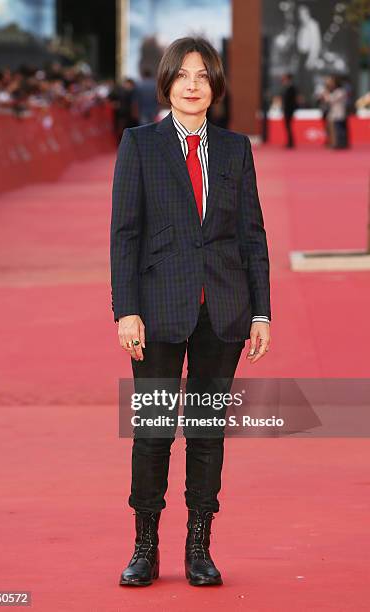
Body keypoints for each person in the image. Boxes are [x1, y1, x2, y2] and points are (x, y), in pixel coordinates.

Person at [110, 37, 271, 587]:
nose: (193, 84)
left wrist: (262, 312)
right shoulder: (139, 144)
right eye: (182, 75)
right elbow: (124, 234)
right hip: (156, 310)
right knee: (153, 430)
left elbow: (253, 234)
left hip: (223, 311)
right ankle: (145, 546)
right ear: (167, 83)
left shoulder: (235, 149)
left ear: (215, 86)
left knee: (206, 432)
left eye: (203, 76)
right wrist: (126, 310)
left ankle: (198, 547)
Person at [281, 73, 298, 148]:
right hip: (286, 110)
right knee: (287, 126)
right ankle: (289, 141)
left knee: (288, 126)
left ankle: (291, 142)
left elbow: (292, 100)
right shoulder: (286, 87)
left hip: (289, 110)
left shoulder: (292, 88)